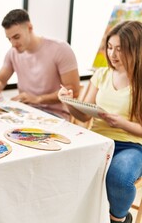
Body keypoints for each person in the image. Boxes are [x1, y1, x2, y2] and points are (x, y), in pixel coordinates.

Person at [58, 20, 142, 223]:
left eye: (120, 49)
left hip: (131, 145)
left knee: (119, 178)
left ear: (136, 49)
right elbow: (84, 115)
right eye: (110, 48)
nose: (112, 55)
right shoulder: (102, 74)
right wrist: (68, 101)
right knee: (62, 165)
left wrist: (120, 123)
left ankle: (118, 219)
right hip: (97, 140)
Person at [0, 9, 80, 120]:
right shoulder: (13, 53)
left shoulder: (60, 49)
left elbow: (73, 91)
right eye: (9, 39)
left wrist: (38, 99)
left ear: (30, 28)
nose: (13, 44)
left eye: (17, 37)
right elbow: (0, 80)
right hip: (25, 113)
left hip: (54, 115)